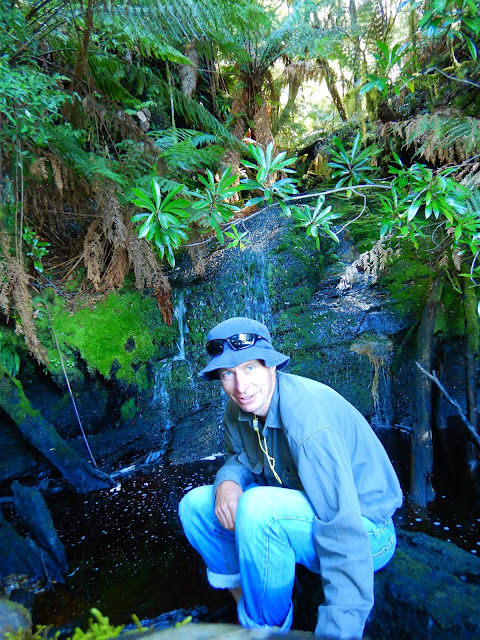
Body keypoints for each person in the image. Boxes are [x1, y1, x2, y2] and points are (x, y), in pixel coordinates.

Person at [179, 317, 403, 639]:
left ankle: (265, 631)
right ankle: (249, 603)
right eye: (228, 373)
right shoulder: (239, 407)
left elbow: (343, 532)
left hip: (367, 531)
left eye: (250, 368)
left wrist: (337, 633)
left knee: (258, 509)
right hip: (306, 511)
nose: (241, 386)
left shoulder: (309, 426)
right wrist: (228, 480)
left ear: (271, 365)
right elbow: (240, 457)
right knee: (194, 507)